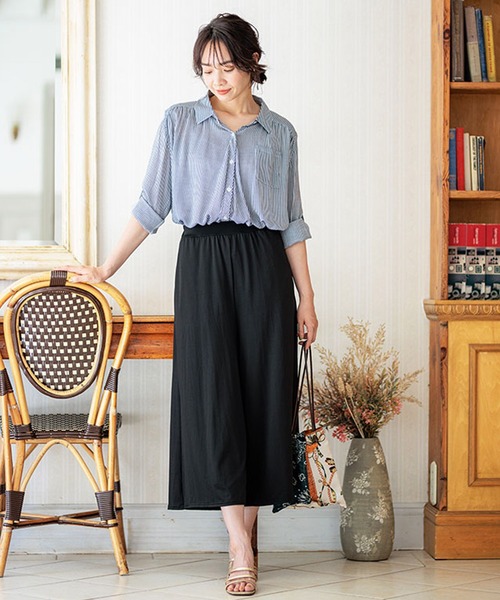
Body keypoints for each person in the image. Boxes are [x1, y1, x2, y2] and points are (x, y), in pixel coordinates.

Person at [66, 13, 317, 597]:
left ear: (252, 62)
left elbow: (292, 220)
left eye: (227, 66)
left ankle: (244, 537)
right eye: (206, 69)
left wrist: (307, 296)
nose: (217, 78)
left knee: (263, 397)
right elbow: (151, 205)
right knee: (214, 398)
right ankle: (238, 544)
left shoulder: (280, 133)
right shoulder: (179, 122)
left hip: (264, 268)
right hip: (202, 264)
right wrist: (105, 268)